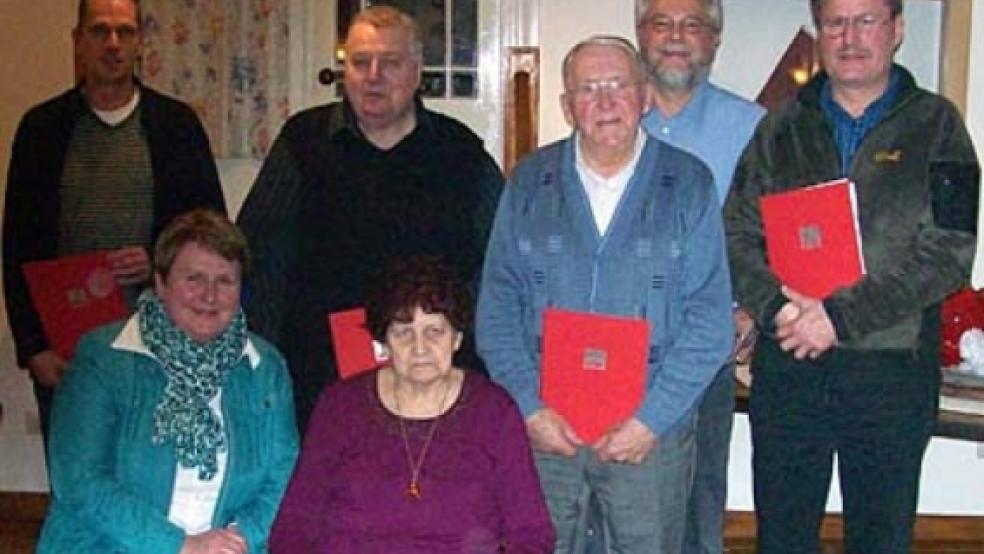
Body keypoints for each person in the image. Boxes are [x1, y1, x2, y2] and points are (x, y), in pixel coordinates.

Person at [724, 0, 980, 552]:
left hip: (892, 374)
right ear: (820, 34)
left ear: (897, 31)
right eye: (835, 22)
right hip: (791, 368)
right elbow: (737, 235)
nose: (849, 36)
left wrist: (838, 318)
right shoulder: (781, 125)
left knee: (881, 538)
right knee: (782, 538)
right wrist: (779, 311)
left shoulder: (939, 126)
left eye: (866, 20)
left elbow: (950, 253)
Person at [477, 36, 733, 553]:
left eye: (618, 85)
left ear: (645, 97)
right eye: (588, 89)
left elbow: (710, 321)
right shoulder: (529, 182)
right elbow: (496, 309)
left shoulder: (688, 184)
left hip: (650, 437)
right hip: (547, 434)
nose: (605, 101)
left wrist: (651, 421)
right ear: (568, 106)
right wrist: (529, 409)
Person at [237, 5, 503, 431]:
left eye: (390, 63)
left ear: (416, 73)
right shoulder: (303, 143)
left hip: (433, 371)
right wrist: (263, 361)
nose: (373, 75)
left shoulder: (460, 152)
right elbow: (257, 254)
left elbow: (499, 263)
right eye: (360, 62)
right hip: (318, 376)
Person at [3, 0, 225, 443]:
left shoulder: (175, 126)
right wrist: (32, 347)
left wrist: (158, 261)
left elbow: (211, 234)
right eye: (100, 31)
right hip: (68, 349)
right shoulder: (41, 129)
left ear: (141, 43)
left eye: (125, 32)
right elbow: (16, 245)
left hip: (160, 343)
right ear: (78, 42)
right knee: (75, 477)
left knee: (149, 472)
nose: (113, 44)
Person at [36, 209, 298, 553]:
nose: (209, 295)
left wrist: (238, 540)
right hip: (111, 545)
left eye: (225, 281)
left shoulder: (265, 367)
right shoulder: (103, 358)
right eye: (194, 278)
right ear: (160, 283)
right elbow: (80, 482)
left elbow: (284, 474)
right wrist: (179, 545)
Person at [269, 256, 554, 553]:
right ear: (384, 341)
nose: (420, 348)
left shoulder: (494, 411)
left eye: (435, 331)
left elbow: (532, 535)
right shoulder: (340, 407)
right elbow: (293, 529)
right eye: (404, 332)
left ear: (456, 338)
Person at [636, 1, 765, 552]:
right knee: (610, 492)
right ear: (640, 34)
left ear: (715, 40)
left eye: (693, 25)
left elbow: (777, 233)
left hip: (702, 345)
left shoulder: (755, 127)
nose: (676, 37)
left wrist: (754, 308)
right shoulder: (609, 113)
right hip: (615, 343)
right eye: (662, 23)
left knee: (698, 495)